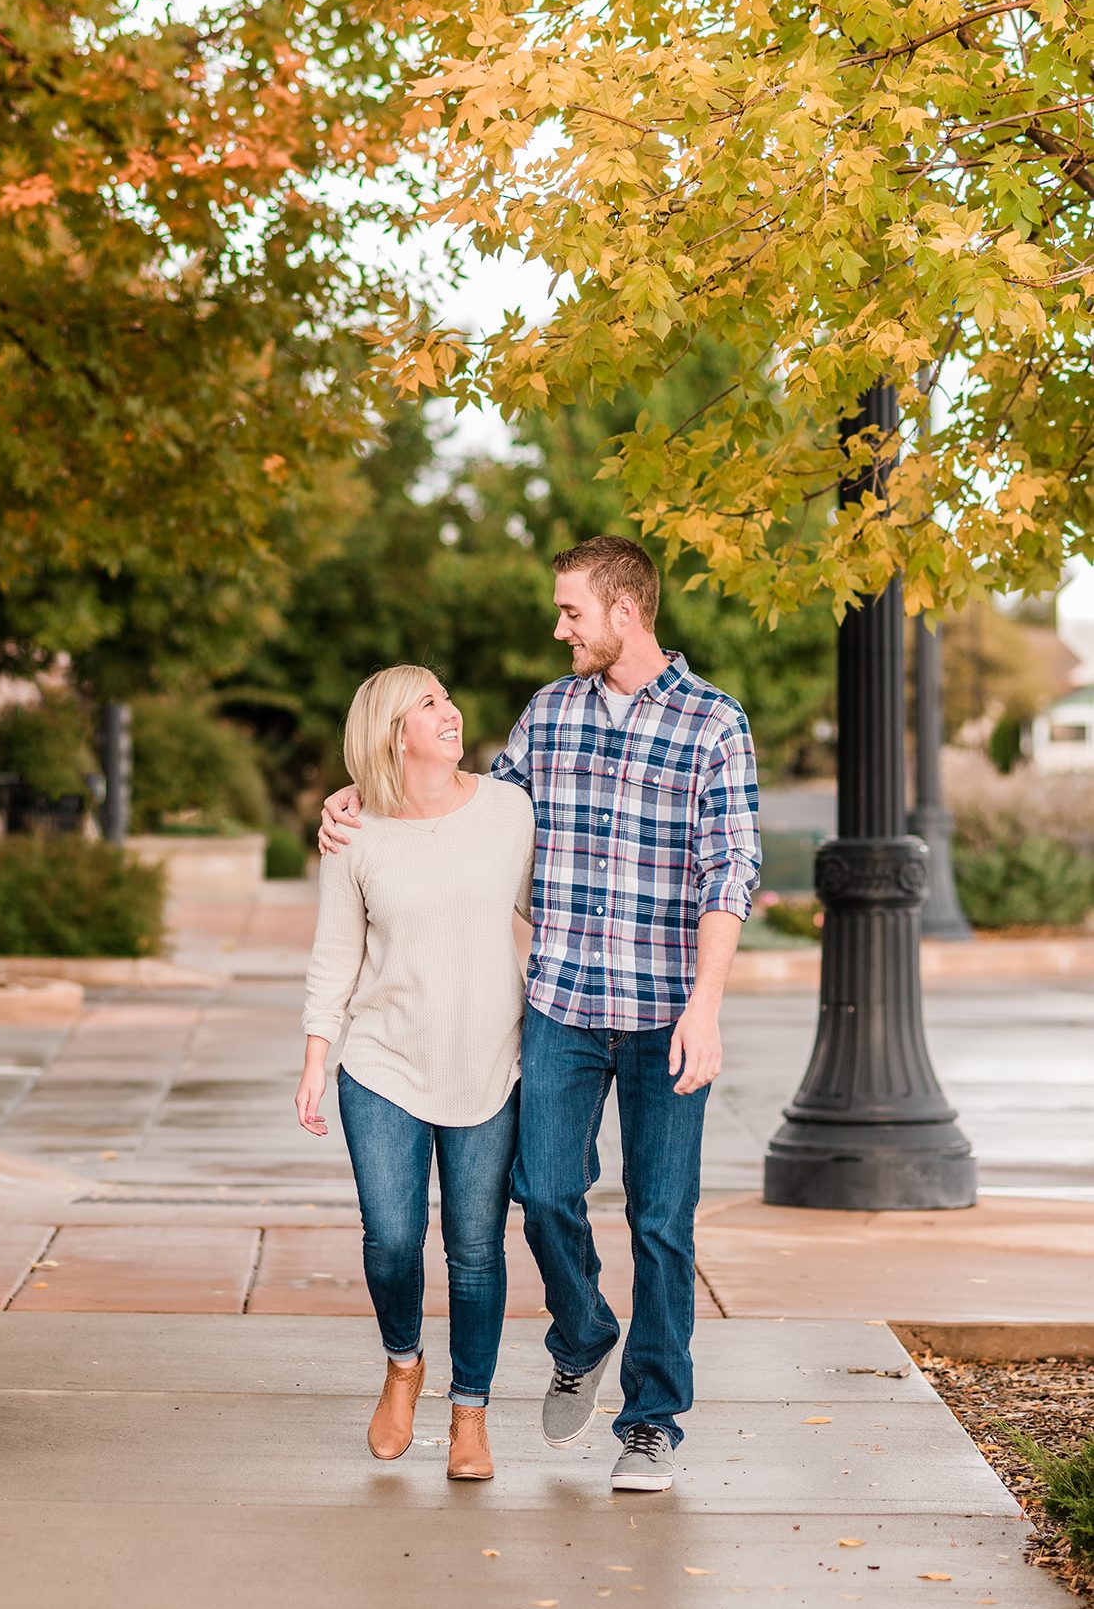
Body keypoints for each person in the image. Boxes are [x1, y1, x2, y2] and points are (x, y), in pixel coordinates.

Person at [321, 536, 760, 1493]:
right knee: (545, 1193)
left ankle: (651, 1420)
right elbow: (472, 812)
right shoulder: (549, 714)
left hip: (664, 1013)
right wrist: (364, 793)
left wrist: (707, 1006)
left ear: (625, 614)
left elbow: (732, 870)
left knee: (661, 1222)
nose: (558, 628)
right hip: (560, 1004)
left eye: (571, 612)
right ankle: (585, 1331)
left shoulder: (714, 725)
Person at [298, 664, 534, 1482]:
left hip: (489, 1065)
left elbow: (549, 908)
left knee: (475, 1251)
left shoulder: (510, 809)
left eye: (446, 696)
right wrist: (314, 1057)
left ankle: (470, 1415)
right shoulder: (355, 830)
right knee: (393, 1240)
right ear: (393, 732)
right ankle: (403, 1365)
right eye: (428, 703)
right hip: (383, 1064)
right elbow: (337, 951)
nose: (451, 710)